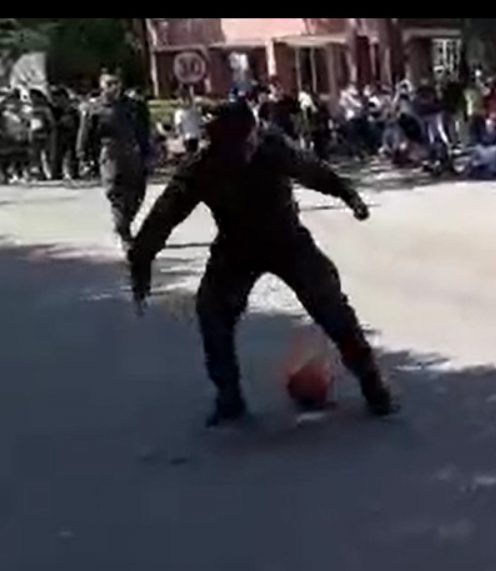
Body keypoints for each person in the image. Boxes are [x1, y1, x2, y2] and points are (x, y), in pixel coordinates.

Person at [125, 101, 398, 427]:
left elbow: (312, 169)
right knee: (212, 314)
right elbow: (165, 214)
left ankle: (373, 386)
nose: (241, 149)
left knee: (333, 311)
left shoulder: (273, 148)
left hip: (288, 242)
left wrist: (347, 194)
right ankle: (229, 397)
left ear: (253, 132)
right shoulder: (203, 166)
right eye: (231, 144)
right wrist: (141, 260)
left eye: (245, 141)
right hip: (236, 248)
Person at [77, 71, 151, 247]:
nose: (113, 87)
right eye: (109, 84)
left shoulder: (134, 106)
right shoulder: (94, 108)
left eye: (116, 83)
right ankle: (124, 232)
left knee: (137, 194)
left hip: (133, 154)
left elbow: (144, 131)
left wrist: (148, 152)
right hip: (110, 154)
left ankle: (123, 224)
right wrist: (84, 157)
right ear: (102, 86)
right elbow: (85, 135)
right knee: (116, 193)